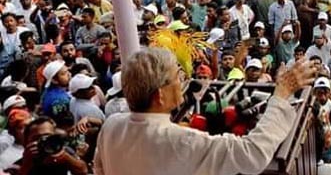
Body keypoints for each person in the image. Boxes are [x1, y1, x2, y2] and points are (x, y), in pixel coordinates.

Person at [93, 47, 316, 175]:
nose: (182, 81)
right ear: (159, 95)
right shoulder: (182, 141)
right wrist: (281, 94)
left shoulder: (111, 126)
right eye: (176, 77)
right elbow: (253, 153)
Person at [19, 116, 88, 175]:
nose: (44, 141)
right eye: (37, 138)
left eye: (48, 136)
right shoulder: (21, 162)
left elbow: (83, 171)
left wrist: (66, 158)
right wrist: (26, 165)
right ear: (26, 142)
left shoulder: (61, 151)